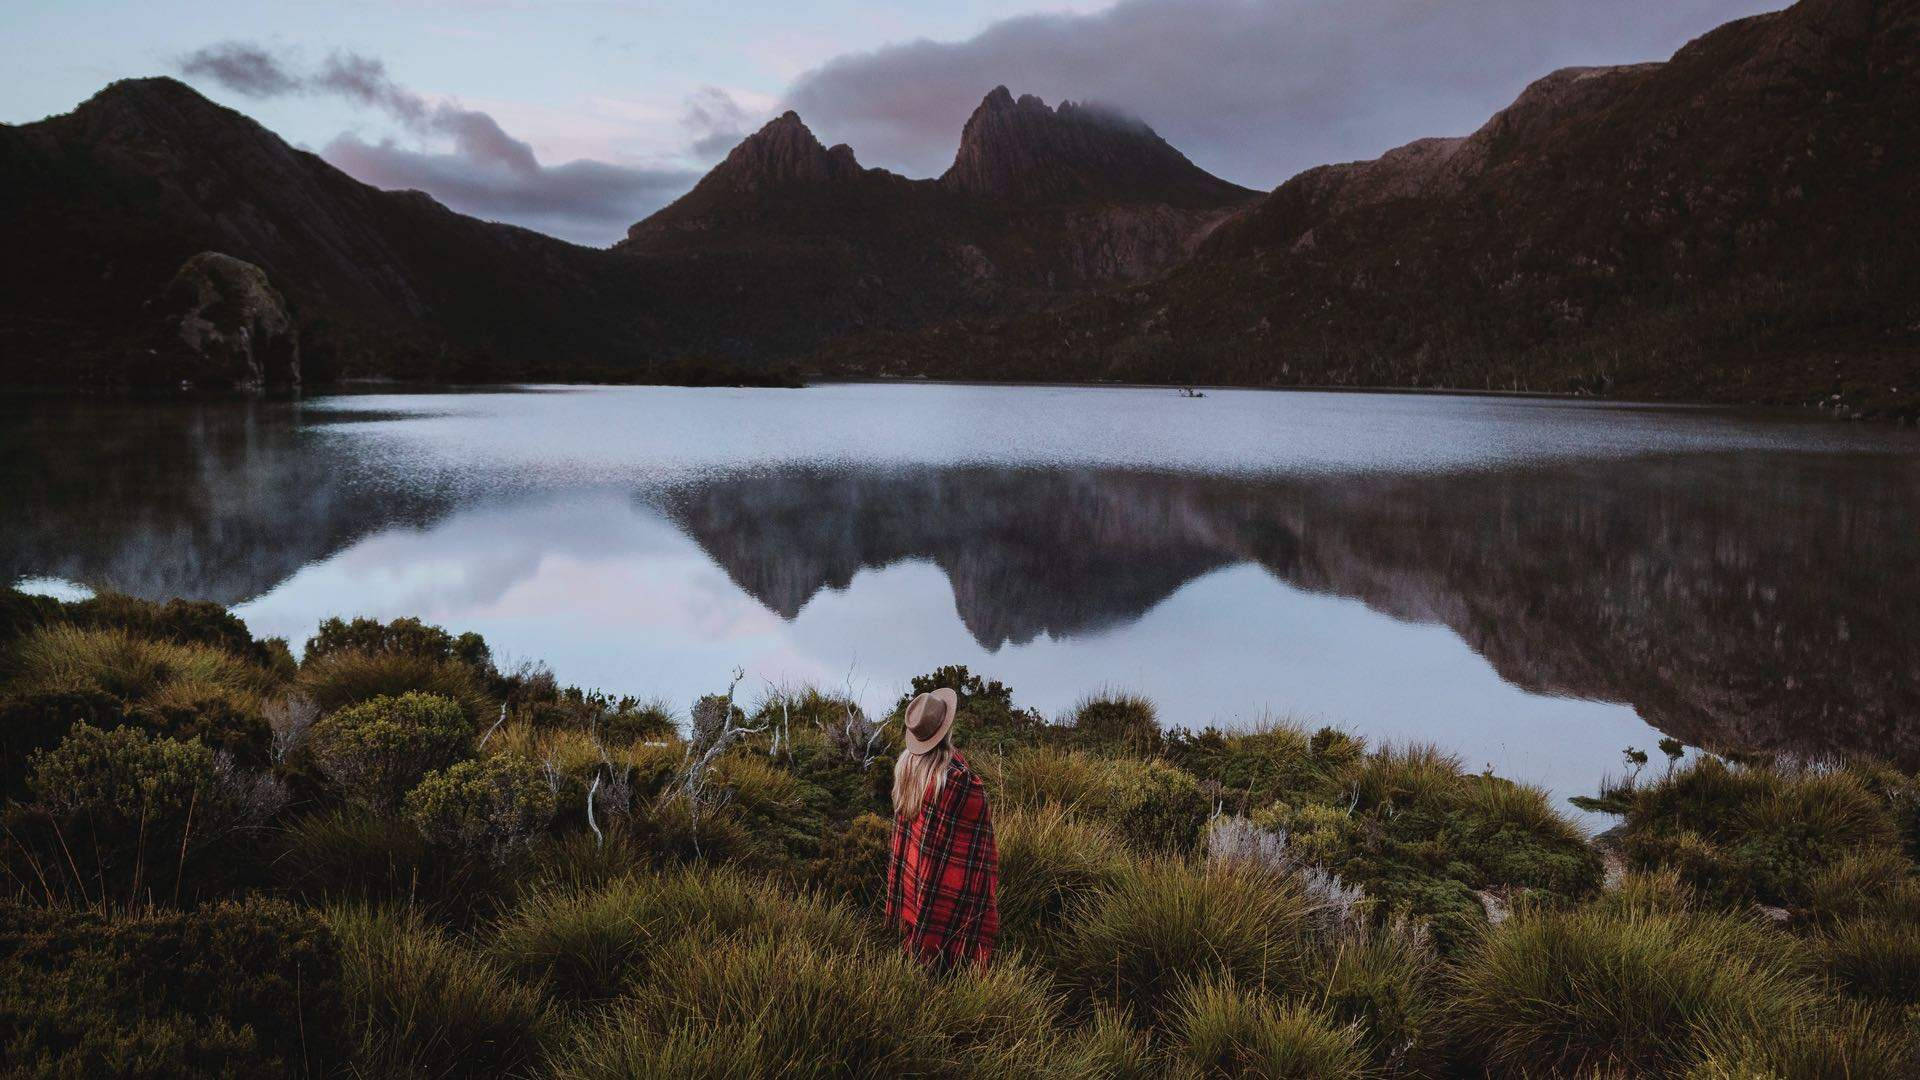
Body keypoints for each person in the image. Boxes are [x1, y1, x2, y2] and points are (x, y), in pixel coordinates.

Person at [885, 687, 999, 972]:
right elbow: (978, 850)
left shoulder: (906, 767)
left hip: (915, 880)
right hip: (945, 888)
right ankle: (951, 965)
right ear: (946, 729)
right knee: (953, 930)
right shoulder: (959, 783)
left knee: (921, 933)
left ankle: (919, 951)